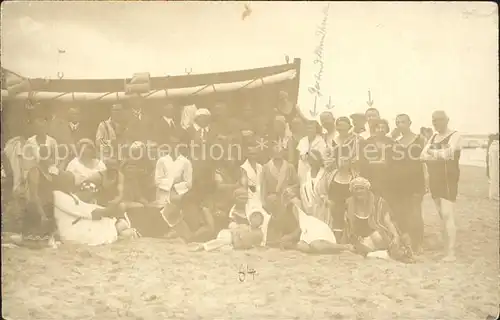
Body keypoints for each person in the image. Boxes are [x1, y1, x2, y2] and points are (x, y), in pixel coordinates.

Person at [420, 110, 462, 261]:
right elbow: (422, 156)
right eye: (434, 120)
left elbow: (448, 154)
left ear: (447, 120)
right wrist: (437, 153)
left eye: (439, 119)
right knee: (441, 215)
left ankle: (451, 253)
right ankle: (446, 249)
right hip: (435, 179)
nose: (436, 122)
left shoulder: (455, 134)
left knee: (447, 214)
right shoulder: (433, 136)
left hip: (448, 179)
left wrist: (432, 152)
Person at [53, 171, 136, 245]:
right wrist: (105, 211)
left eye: (71, 181)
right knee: (105, 227)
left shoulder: (70, 195)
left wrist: (103, 210)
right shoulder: (57, 195)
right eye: (68, 181)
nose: (70, 184)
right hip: (71, 232)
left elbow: (84, 206)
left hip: (79, 224)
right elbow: (79, 210)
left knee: (106, 222)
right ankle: (122, 231)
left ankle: (122, 231)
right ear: (60, 182)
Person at [343, 177, 411, 262]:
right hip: (361, 239)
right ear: (353, 191)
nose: (359, 191)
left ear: (367, 189)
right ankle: (377, 253)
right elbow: (348, 226)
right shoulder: (349, 203)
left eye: (362, 188)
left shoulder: (378, 202)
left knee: (376, 237)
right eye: (356, 189)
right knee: (355, 249)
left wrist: (396, 236)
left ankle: (379, 253)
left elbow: (388, 222)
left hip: (380, 236)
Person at [391, 114, 426, 253]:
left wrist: (426, 182)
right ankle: (407, 242)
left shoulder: (420, 139)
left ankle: (418, 243)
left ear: (410, 123)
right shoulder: (395, 141)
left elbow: (426, 162)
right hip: (399, 181)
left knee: (415, 212)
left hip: (416, 180)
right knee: (401, 212)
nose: (400, 125)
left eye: (403, 122)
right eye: (397, 122)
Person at [329, 117, 360, 241]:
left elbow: (358, 158)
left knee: (352, 207)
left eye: (343, 125)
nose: (341, 128)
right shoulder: (334, 141)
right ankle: (337, 237)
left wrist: (349, 164)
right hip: (337, 174)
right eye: (339, 125)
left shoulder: (355, 140)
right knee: (336, 208)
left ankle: (352, 237)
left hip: (351, 173)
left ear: (349, 127)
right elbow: (331, 157)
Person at [358, 119, 397, 204]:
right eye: (378, 127)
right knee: (373, 202)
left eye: (383, 127)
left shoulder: (392, 143)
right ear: (374, 129)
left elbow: (393, 162)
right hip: (372, 177)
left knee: (387, 203)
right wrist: (377, 163)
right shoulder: (367, 142)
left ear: (387, 129)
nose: (380, 129)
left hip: (388, 178)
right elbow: (363, 161)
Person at [190, 211, 265, 252]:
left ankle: (202, 245)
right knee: (226, 240)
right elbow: (234, 231)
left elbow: (247, 244)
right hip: (227, 234)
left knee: (225, 249)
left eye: (258, 219)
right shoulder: (244, 226)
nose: (256, 220)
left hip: (232, 244)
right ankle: (204, 246)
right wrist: (236, 235)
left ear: (261, 222)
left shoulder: (259, 233)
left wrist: (237, 237)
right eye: (254, 217)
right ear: (250, 219)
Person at [488, 133, 499, 201]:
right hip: (495, 166)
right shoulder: (497, 146)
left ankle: (491, 195)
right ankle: (494, 195)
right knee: (496, 179)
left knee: (493, 179)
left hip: (492, 165)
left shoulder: (491, 145)